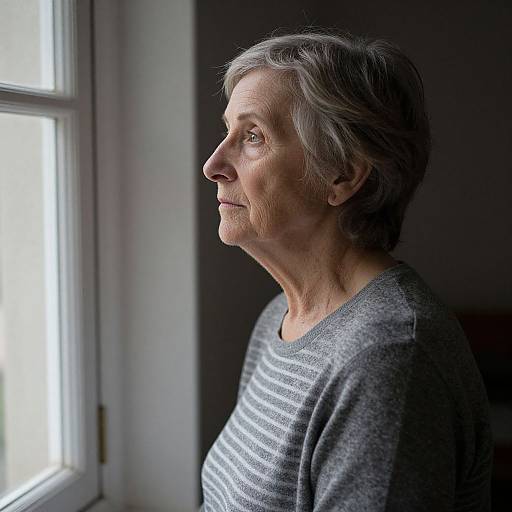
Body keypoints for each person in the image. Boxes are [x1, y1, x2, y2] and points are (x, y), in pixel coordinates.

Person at [200, 28, 493, 511]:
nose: (213, 164)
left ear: (342, 173)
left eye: (252, 136)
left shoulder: (388, 357)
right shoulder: (280, 317)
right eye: (227, 131)